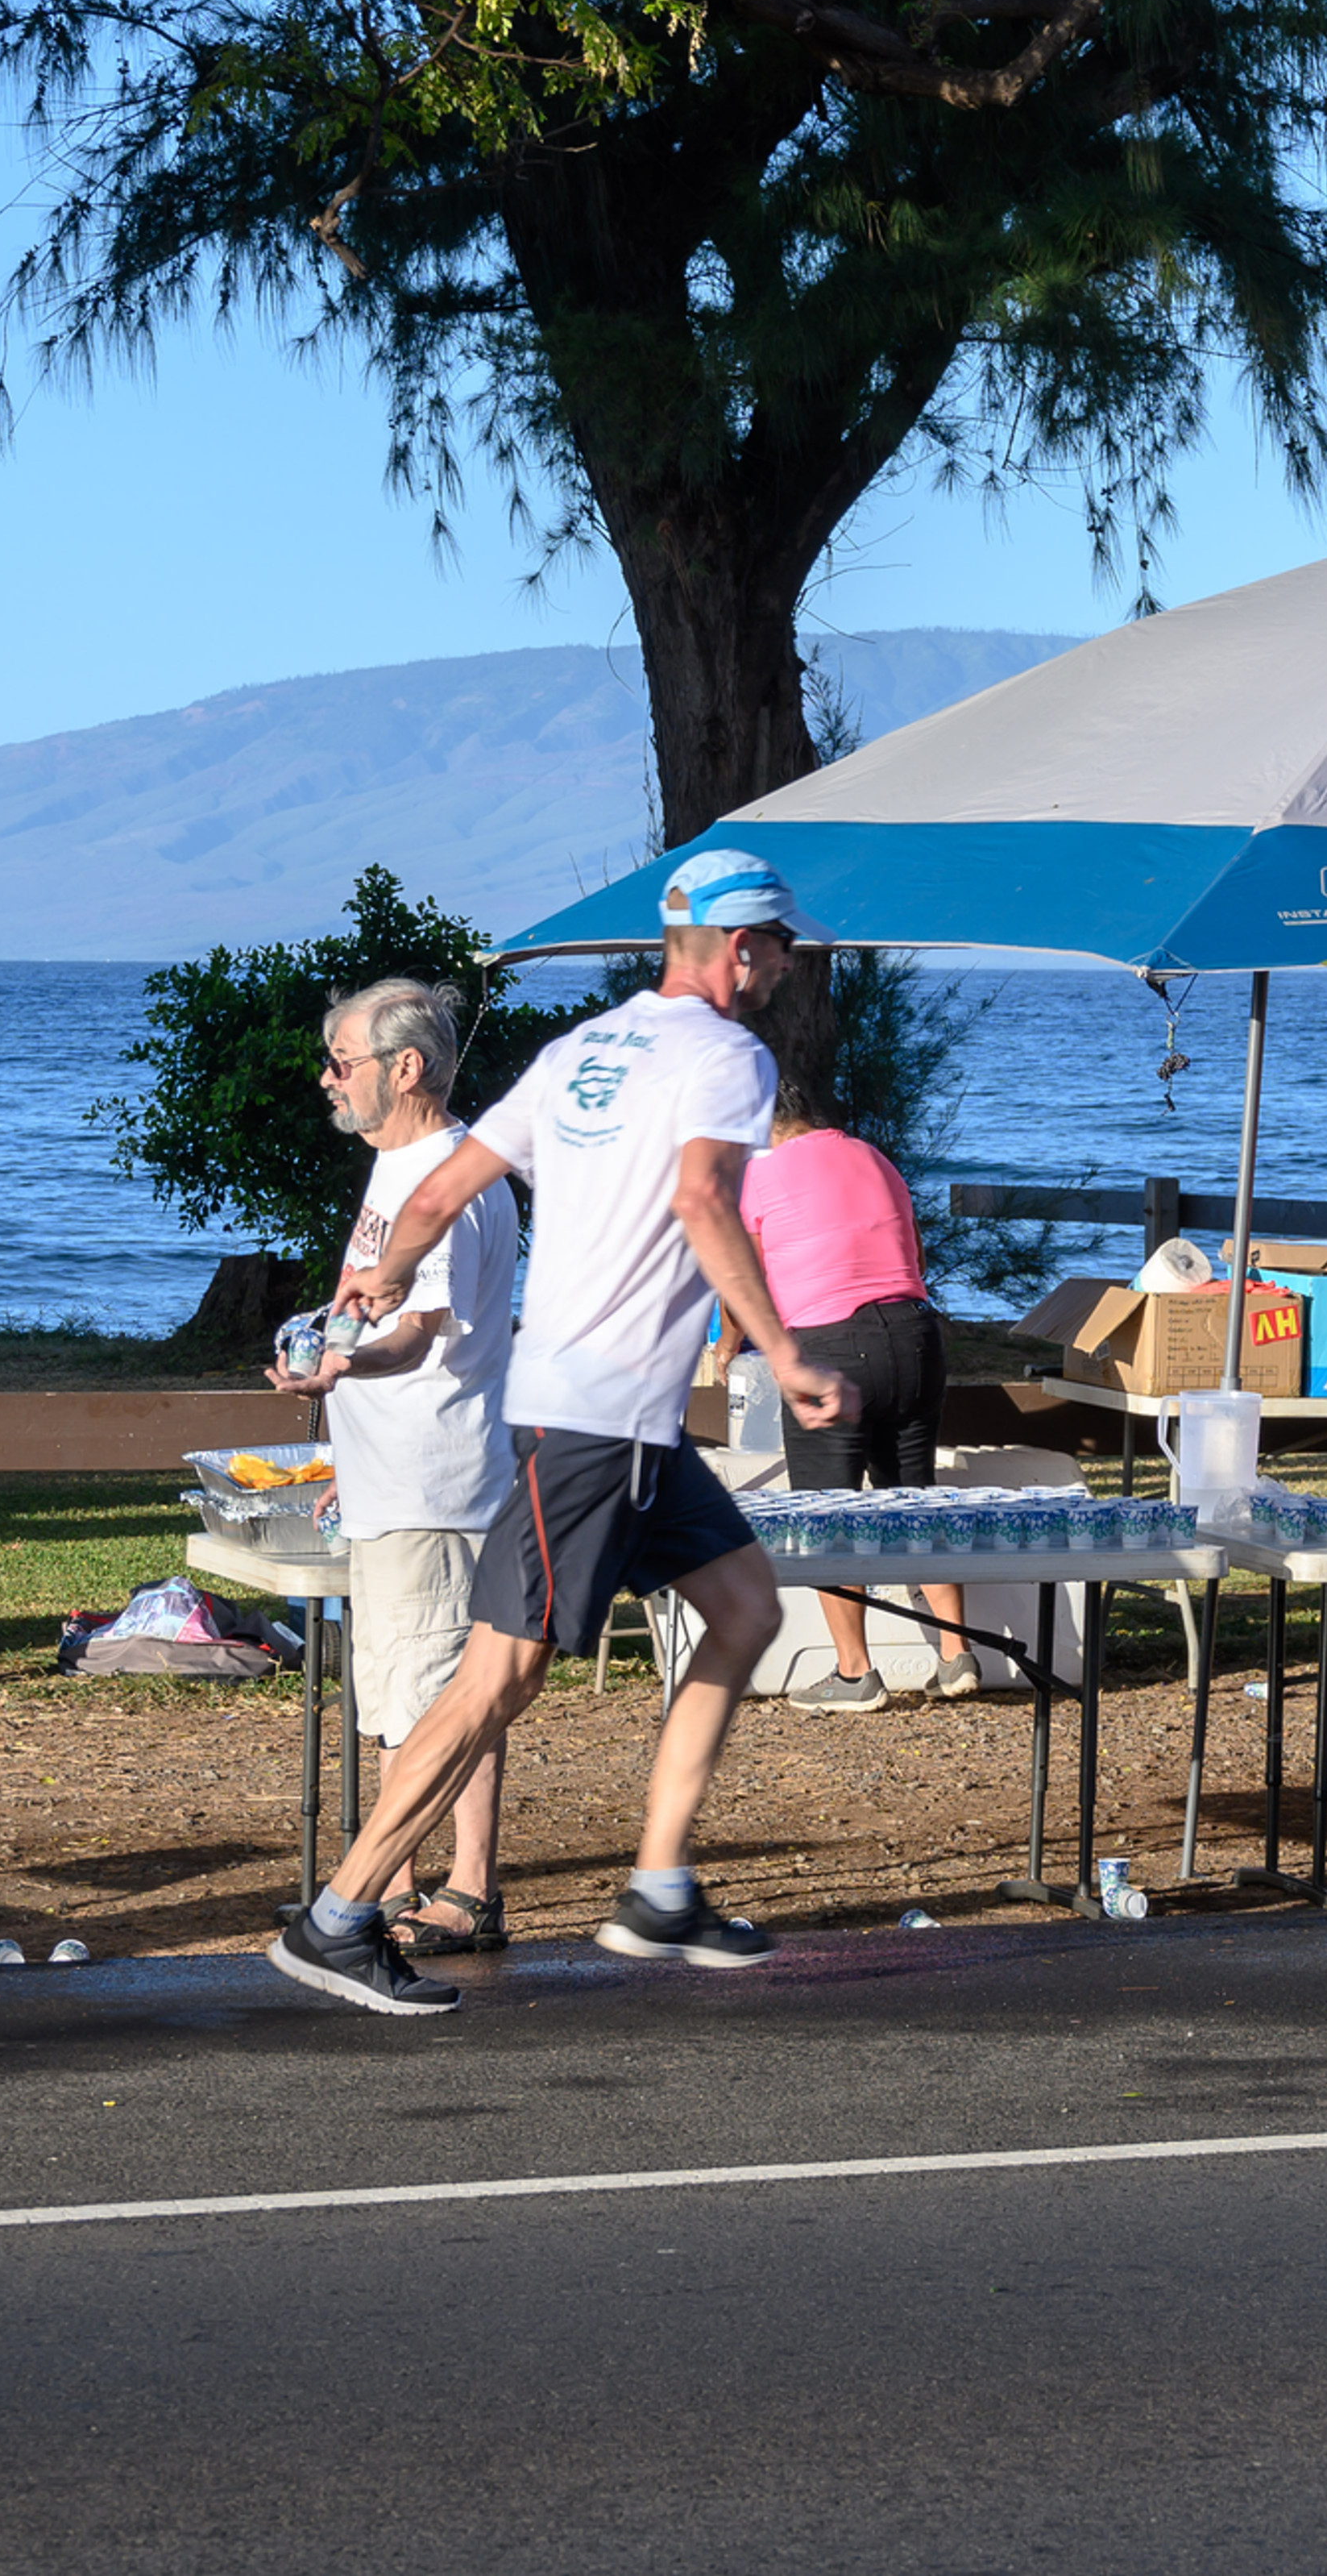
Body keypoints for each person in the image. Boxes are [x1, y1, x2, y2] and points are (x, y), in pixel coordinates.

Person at [264, 848, 849, 2014]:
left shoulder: (582, 1048)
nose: (786, 961)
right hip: (592, 1418)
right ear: (740, 948)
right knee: (496, 1677)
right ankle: (339, 1915)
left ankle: (659, 1882)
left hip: (621, 1422)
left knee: (743, 1604)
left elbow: (437, 1189)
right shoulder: (730, 1054)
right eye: (779, 941)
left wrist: (380, 1277)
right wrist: (779, 1348)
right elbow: (700, 1200)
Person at [269, 978, 519, 1958]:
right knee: (404, 1693)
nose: (328, 1080)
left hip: (436, 1477)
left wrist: (343, 1365)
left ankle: (456, 1892)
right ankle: (414, 1885)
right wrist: (338, 1433)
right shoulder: (395, 1166)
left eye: (343, 1061)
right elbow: (361, 1307)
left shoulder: (447, 1180)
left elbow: (414, 1335)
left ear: (404, 1068)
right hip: (388, 1475)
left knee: (439, 1697)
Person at [740, 1060, 977, 1709]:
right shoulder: (873, 1156)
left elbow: (745, 1276)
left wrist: (726, 1344)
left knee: (827, 1515)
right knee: (912, 1497)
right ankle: (957, 1655)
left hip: (831, 1346)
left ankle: (854, 1672)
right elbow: (917, 1255)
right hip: (915, 1335)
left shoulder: (758, 1174)